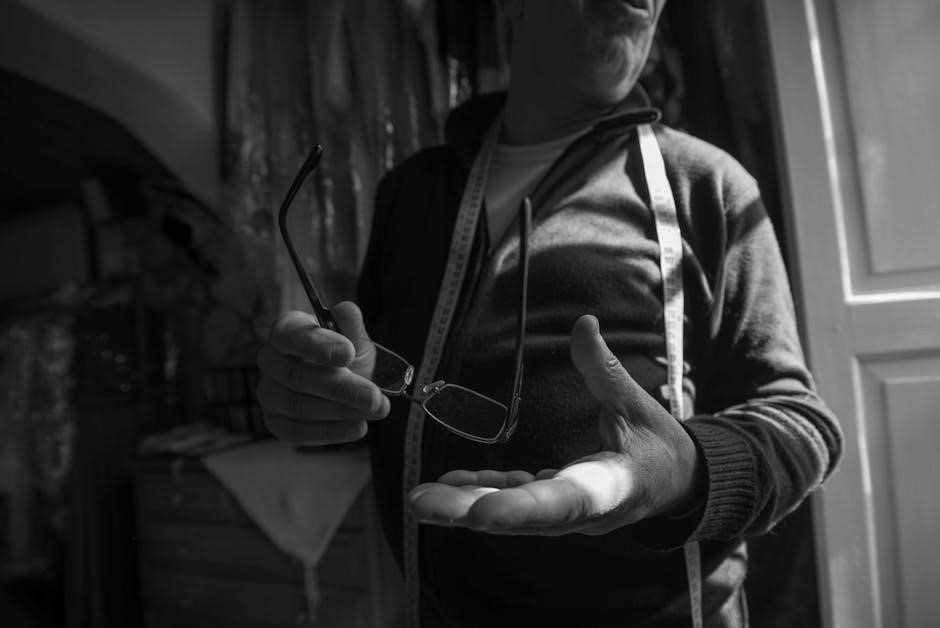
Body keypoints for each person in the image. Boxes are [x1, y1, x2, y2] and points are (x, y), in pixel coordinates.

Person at [256, 1, 843, 625]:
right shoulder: (411, 191)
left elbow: (802, 425)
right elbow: (376, 388)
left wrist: (685, 471)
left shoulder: (703, 185)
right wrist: (321, 390)